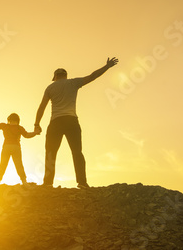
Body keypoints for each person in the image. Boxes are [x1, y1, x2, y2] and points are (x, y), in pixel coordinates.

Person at [34, 57, 119, 189]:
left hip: (56, 121)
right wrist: (107, 66)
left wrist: (36, 124)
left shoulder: (50, 87)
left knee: (51, 152)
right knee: (77, 152)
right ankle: (82, 182)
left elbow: (42, 107)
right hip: (71, 120)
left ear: (55, 77)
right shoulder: (73, 83)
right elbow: (93, 76)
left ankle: (48, 183)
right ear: (66, 76)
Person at [0, 113, 40, 185]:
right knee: (19, 165)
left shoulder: (5, 126)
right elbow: (27, 135)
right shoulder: (20, 128)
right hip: (16, 147)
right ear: (18, 120)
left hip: (6, 147)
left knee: (2, 165)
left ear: (9, 119)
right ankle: (24, 181)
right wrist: (35, 132)